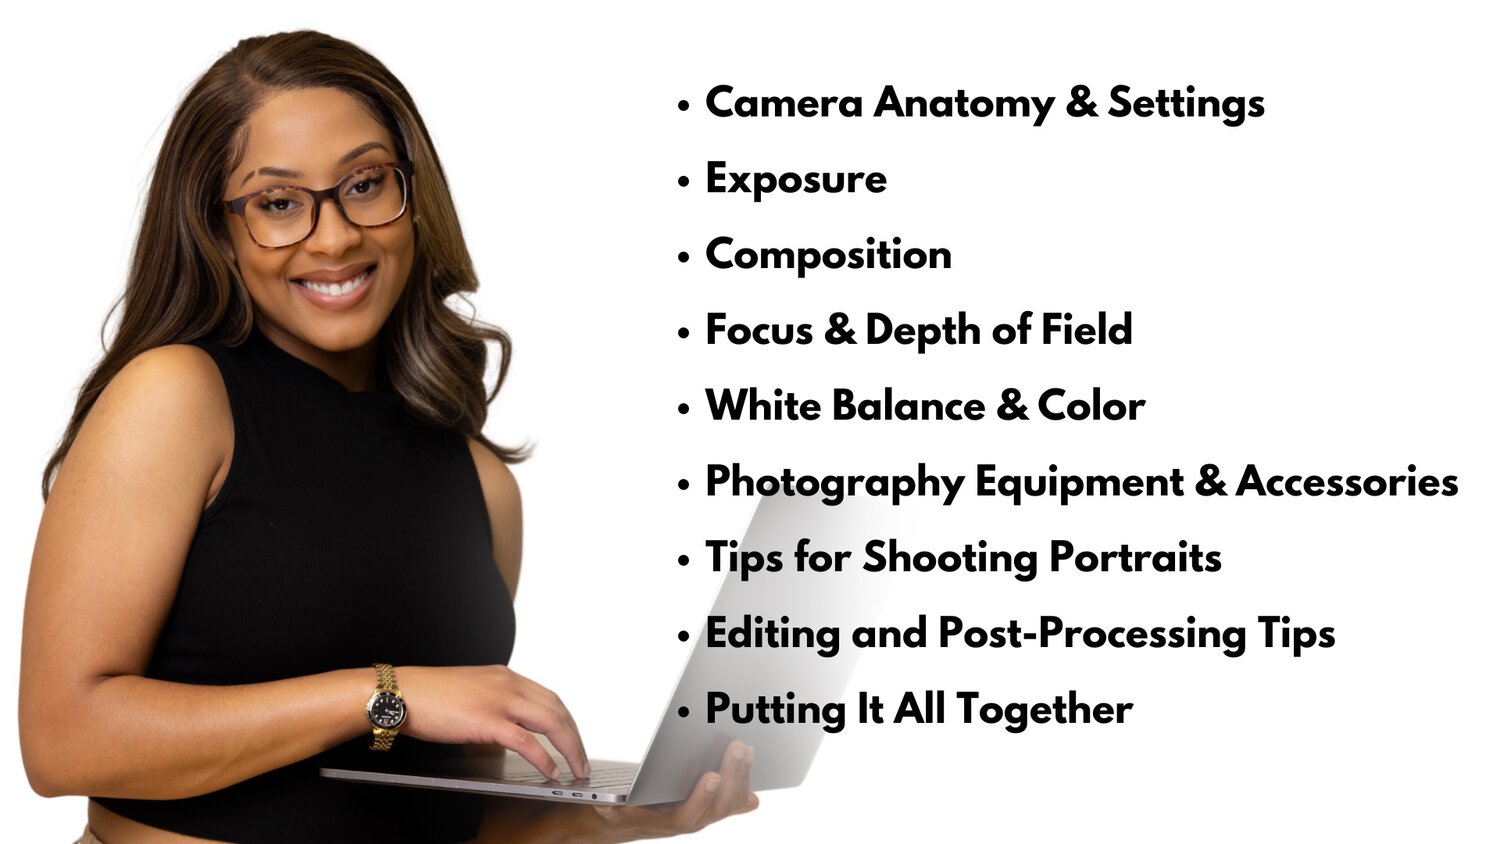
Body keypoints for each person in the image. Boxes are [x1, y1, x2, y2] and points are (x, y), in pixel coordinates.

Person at [19, 30, 757, 844]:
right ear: (218, 230)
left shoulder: (481, 485)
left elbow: (433, 811)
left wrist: (621, 818)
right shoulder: (180, 399)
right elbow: (62, 742)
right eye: (278, 203)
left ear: (415, 195)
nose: (334, 238)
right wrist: (386, 693)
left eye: (365, 185)